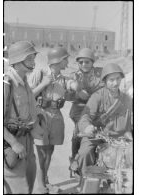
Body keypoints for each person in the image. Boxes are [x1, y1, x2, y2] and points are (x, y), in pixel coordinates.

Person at [28, 47, 79, 194]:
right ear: (58, 60)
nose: (67, 62)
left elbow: (70, 93)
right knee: (41, 153)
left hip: (56, 115)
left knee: (50, 152)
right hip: (41, 115)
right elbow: (29, 95)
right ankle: (40, 186)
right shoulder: (40, 73)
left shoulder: (63, 78)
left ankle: (45, 182)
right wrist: (43, 84)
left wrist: (74, 88)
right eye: (66, 59)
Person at [76, 63, 133, 191]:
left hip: (120, 139)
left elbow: (129, 124)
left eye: (118, 79)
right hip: (98, 136)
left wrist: (129, 135)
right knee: (85, 153)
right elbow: (85, 117)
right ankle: (83, 183)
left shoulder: (127, 99)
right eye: (111, 80)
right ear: (105, 81)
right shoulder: (97, 96)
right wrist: (87, 127)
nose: (115, 83)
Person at [4, 41, 42, 194]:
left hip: (27, 142)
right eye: (29, 59)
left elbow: (30, 109)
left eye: (33, 58)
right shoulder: (6, 84)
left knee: (30, 180)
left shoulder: (24, 81)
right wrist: (13, 143)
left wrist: (38, 122)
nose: (33, 62)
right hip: (12, 143)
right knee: (20, 189)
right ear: (17, 61)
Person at [68, 48, 104, 174]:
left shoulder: (100, 73)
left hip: (96, 110)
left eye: (87, 62)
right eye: (81, 62)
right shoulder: (74, 75)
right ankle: (75, 160)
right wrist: (76, 90)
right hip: (79, 109)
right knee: (79, 132)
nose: (84, 64)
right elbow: (67, 93)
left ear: (92, 62)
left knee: (99, 134)